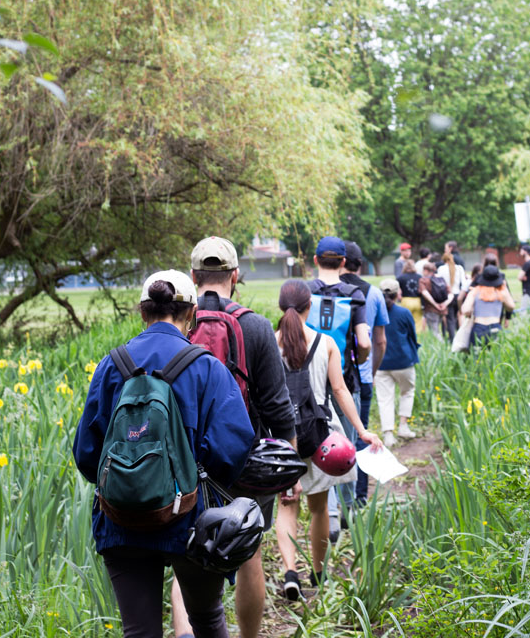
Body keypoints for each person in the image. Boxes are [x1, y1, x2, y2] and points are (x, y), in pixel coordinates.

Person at [73, 270, 254, 638]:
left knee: (139, 631)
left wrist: (132, 484)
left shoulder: (112, 365)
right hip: (193, 523)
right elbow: (234, 446)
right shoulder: (206, 366)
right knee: (206, 619)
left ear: (142, 312)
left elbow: (86, 453)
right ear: (190, 315)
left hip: (120, 520)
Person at [170, 237, 297, 638]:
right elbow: (278, 407)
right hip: (244, 462)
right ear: (235, 276)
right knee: (249, 552)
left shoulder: (177, 325)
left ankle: (186, 633)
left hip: (189, 462)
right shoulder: (256, 326)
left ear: (192, 277)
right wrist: (287, 474)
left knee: (185, 551)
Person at [274, 280, 382, 599]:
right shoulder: (325, 343)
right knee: (319, 508)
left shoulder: (269, 343)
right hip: (319, 437)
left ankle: (289, 573)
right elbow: (339, 390)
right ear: (310, 307)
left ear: (281, 308)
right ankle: (318, 575)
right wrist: (361, 431)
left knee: (287, 505)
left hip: (281, 439)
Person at [307, 236, 370, 538]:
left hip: (310, 383)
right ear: (344, 263)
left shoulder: (304, 292)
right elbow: (366, 342)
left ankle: (328, 514)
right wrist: (361, 357)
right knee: (348, 443)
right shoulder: (354, 294)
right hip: (344, 379)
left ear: (315, 260)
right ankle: (348, 512)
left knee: (320, 444)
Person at [340, 241, 388, 506]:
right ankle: (359, 498)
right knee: (360, 436)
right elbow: (379, 341)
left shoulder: (327, 293)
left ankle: (335, 501)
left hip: (332, 376)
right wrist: (371, 368)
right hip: (363, 376)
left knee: (334, 437)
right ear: (360, 264)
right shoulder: (375, 293)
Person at [374, 279, 419, 446]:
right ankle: (403, 426)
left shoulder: (374, 312)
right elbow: (412, 336)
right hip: (403, 361)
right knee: (407, 392)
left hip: (381, 362)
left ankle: (388, 435)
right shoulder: (404, 313)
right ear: (397, 293)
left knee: (385, 398)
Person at [462, 265, 516, 347]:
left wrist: (470, 313)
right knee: (495, 358)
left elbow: (465, 310)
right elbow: (511, 307)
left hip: (478, 327)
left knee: (477, 357)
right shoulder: (501, 292)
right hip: (495, 326)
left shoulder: (475, 291)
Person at [436, 251, 466, 340]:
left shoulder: (441, 269)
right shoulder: (459, 268)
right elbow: (464, 283)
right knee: (459, 316)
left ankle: (452, 339)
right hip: (458, 295)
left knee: (450, 320)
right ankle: (461, 337)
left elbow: (439, 283)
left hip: (447, 297)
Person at [418, 262, 447, 336]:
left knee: (434, 332)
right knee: (438, 329)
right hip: (442, 309)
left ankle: (441, 346)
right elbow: (450, 294)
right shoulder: (441, 279)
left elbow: (424, 293)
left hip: (431, 309)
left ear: (426, 270)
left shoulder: (423, 280)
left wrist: (435, 304)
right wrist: (444, 304)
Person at [396, 259, 424, 333]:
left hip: (406, 300)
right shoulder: (419, 277)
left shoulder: (400, 278)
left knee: (406, 320)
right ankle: (418, 338)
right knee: (417, 321)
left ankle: (408, 336)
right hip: (418, 301)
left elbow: (398, 292)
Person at [518, 243, 530, 310]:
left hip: (527, 290)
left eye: (521, 250)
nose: (520, 252)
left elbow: (519, 277)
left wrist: (523, 277)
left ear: (525, 252)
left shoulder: (527, 264)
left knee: (524, 311)